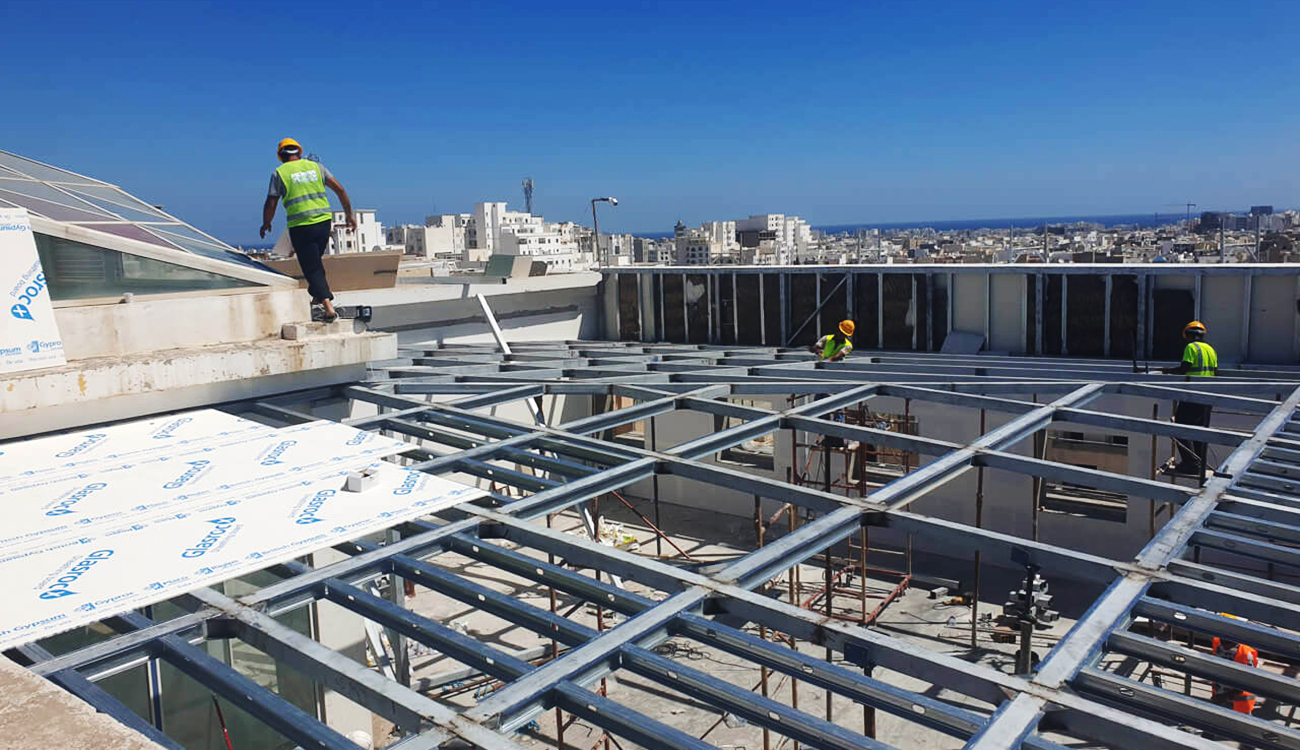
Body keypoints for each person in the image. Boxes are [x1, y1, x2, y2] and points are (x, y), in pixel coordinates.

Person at [260, 137, 355, 323]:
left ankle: (328, 306)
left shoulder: (279, 173)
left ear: (280, 156)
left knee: (311, 267)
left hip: (301, 226)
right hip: (323, 223)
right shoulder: (316, 167)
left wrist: (266, 223)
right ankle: (316, 296)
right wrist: (349, 215)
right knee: (315, 263)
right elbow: (341, 190)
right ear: (299, 152)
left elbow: (271, 202)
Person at [1160, 321, 1217, 477]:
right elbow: (1215, 373)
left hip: (1193, 394)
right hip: (1208, 396)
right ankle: (1199, 462)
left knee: (1180, 426)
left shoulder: (1191, 348)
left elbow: (1184, 369)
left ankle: (1191, 464)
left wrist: (1167, 371)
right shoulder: (1210, 350)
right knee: (1200, 430)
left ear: (1187, 335)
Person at [1210, 627, 1259, 715]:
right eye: (1222, 639)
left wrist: (1223, 696)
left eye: (1228, 641)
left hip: (1238, 701)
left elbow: (1248, 682)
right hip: (1220, 694)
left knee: (1240, 725)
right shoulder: (1218, 643)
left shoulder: (1245, 654)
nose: (1224, 643)